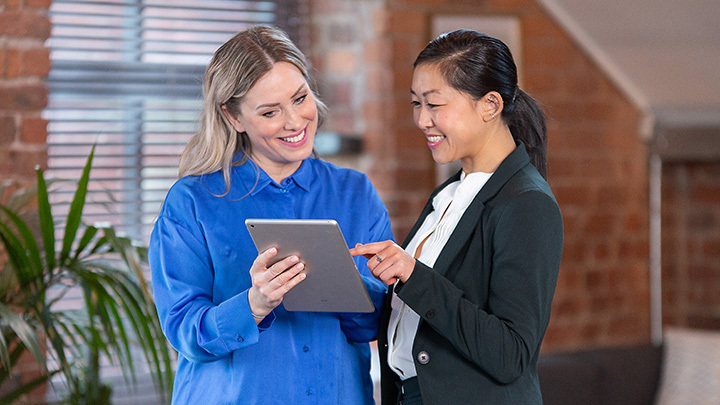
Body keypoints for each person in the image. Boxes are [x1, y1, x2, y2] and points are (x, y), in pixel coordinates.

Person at [149, 25, 393, 404]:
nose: (295, 122)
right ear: (233, 117)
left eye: (300, 98)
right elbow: (184, 330)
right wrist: (254, 305)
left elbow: (374, 327)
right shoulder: (193, 202)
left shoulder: (355, 194)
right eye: (270, 112)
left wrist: (361, 291)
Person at [351, 29, 563, 405]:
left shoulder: (527, 203)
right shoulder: (449, 193)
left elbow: (511, 354)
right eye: (416, 104)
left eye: (435, 105)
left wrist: (413, 275)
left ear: (490, 105)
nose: (421, 120)